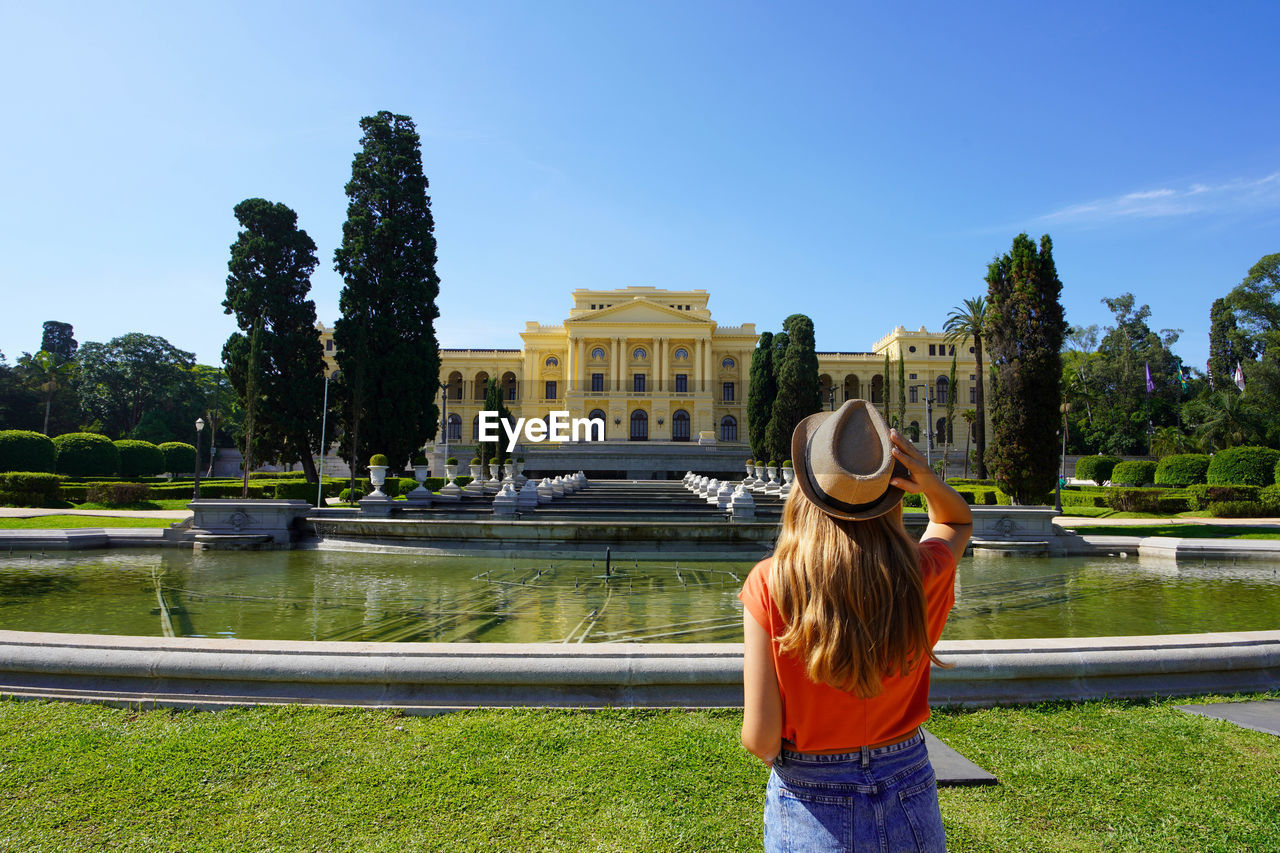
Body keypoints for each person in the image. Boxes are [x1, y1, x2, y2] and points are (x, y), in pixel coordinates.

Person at [740, 399, 972, 852]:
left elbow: (761, 736)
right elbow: (956, 520)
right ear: (894, 492)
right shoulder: (923, 571)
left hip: (811, 792)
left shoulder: (771, 582)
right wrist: (928, 481)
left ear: (806, 490)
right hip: (908, 780)